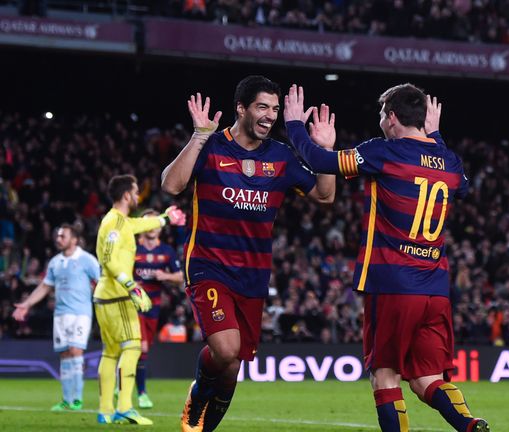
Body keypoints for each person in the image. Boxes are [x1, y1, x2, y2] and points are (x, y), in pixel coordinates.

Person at [283, 83, 490, 432]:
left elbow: (321, 162)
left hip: (393, 282)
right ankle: (469, 424)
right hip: (435, 288)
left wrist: (293, 126)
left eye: (382, 114)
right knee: (428, 378)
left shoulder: (384, 152)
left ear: (392, 117)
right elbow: (463, 187)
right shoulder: (449, 159)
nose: (380, 120)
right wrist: (436, 134)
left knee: (385, 376)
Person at [161, 75, 335, 432]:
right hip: (209, 266)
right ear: (241, 108)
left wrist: (324, 152)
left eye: (275, 109)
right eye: (262, 107)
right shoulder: (211, 146)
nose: (270, 115)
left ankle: (202, 427)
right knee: (225, 350)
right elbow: (171, 185)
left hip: (254, 276)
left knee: (233, 365)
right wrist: (198, 136)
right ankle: (197, 394)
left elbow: (324, 195)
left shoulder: (282, 156)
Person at [94, 174, 186, 425]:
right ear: (126, 196)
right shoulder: (114, 223)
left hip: (105, 295)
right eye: (135, 193)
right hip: (117, 296)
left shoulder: (119, 221)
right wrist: (131, 285)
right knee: (133, 347)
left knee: (111, 353)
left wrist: (166, 218)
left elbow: (138, 226)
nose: (137, 197)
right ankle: (125, 406)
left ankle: (105, 411)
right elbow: (109, 259)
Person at [12, 224, 100, 411]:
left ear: (74, 239)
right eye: (58, 235)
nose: (58, 239)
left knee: (76, 352)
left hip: (81, 313)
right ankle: (66, 399)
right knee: (64, 355)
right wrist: (27, 304)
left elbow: (101, 281)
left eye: (63, 236)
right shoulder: (54, 263)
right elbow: (45, 287)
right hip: (60, 315)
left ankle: (77, 398)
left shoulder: (87, 260)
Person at [133, 208, 184, 409]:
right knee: (140, 347)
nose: (152, 226)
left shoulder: (166, 252)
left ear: (160, 229)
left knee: (143, 352)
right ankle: (142, 393)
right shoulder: (133, 249)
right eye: (148, 222)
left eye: (156, 222)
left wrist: (166, 277)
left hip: (154, 308)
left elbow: (181, 276)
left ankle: (127, 388)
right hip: (133, 306)